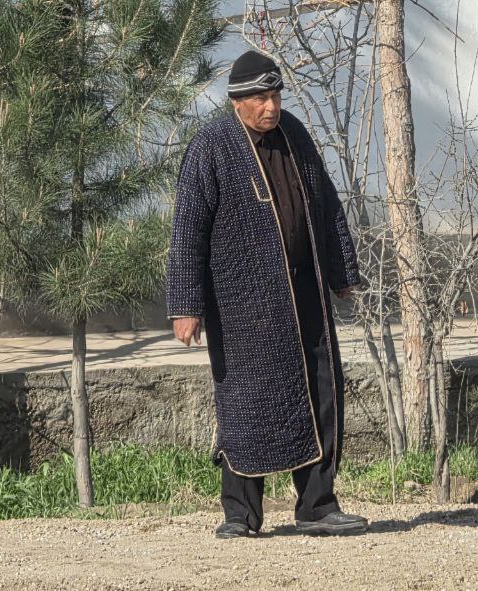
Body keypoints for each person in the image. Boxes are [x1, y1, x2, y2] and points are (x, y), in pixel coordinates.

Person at [167, 50, 367, 539]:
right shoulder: (211, 146)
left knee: (321, 392)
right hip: (242, 301)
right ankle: (240, 514)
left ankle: (317, 506)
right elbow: (188, 229)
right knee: (246, 399)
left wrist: (342, 271)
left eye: (275, 95)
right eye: (260, 98)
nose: (271, 107)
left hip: (305, 289)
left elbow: (327, 204)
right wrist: (186, 305)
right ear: (237, 101)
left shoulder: (295, 134)